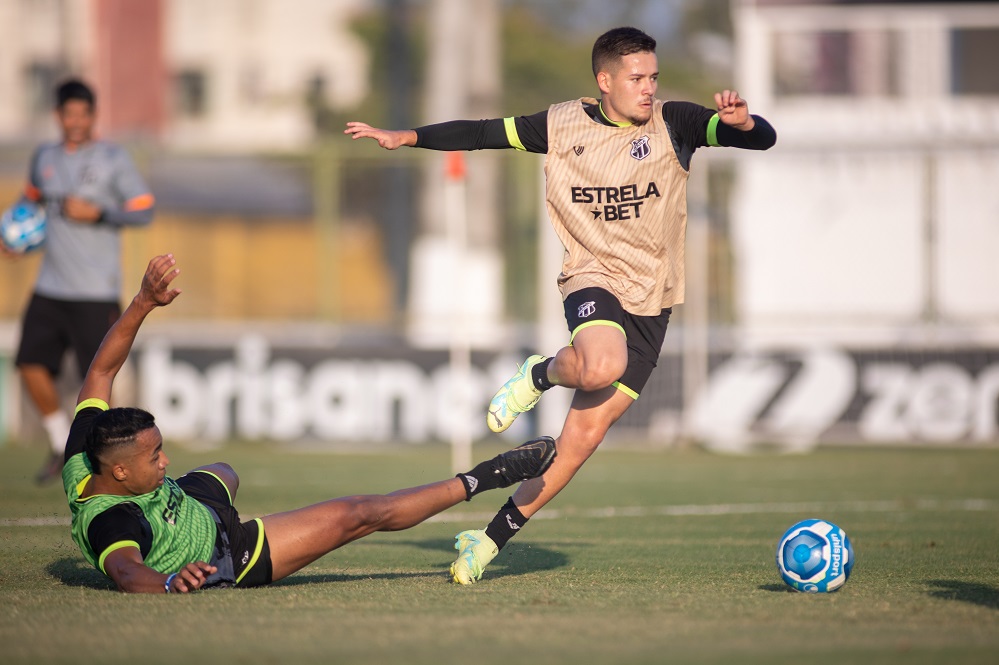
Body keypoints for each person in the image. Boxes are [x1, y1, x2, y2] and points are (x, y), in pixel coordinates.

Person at [345, 26, 777, 584]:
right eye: (636, 78)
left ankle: (488, 539)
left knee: (577, 445)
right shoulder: (560, 124)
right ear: (605, 80)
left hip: (653, 300)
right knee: (601, 364)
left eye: (653, 77)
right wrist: (407, 136)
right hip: (591, 277)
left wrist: (743, 124)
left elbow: (759, 139)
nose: (648, 88)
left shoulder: (678, 122)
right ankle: (544, 373)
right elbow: (482, 133)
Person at [63, 254, 557, 593]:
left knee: (223, 470)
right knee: (362, 513)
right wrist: (172, 581)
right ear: (121, 475)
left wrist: (143, 303)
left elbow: (101, 371)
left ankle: (210, 493)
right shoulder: (111, 521)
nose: (164, 459)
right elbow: (128, 574)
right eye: (154, 457)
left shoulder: (89, 448)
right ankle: (488, 475)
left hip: (195, 503)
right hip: (228, 549)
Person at [0, 79, 155, 484]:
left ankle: (113, 460)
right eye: (69, 114)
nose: (76, 121)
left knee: (102, 375)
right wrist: (16, 236)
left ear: (92, 116)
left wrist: (101, 213)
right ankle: (57, 440)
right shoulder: (45, 158)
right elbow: (30, 203)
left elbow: (143, 209)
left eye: (83, 114)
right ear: (59, 116)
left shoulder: (112, 158)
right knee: (29, 364)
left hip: (95, 290)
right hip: (51, 285)